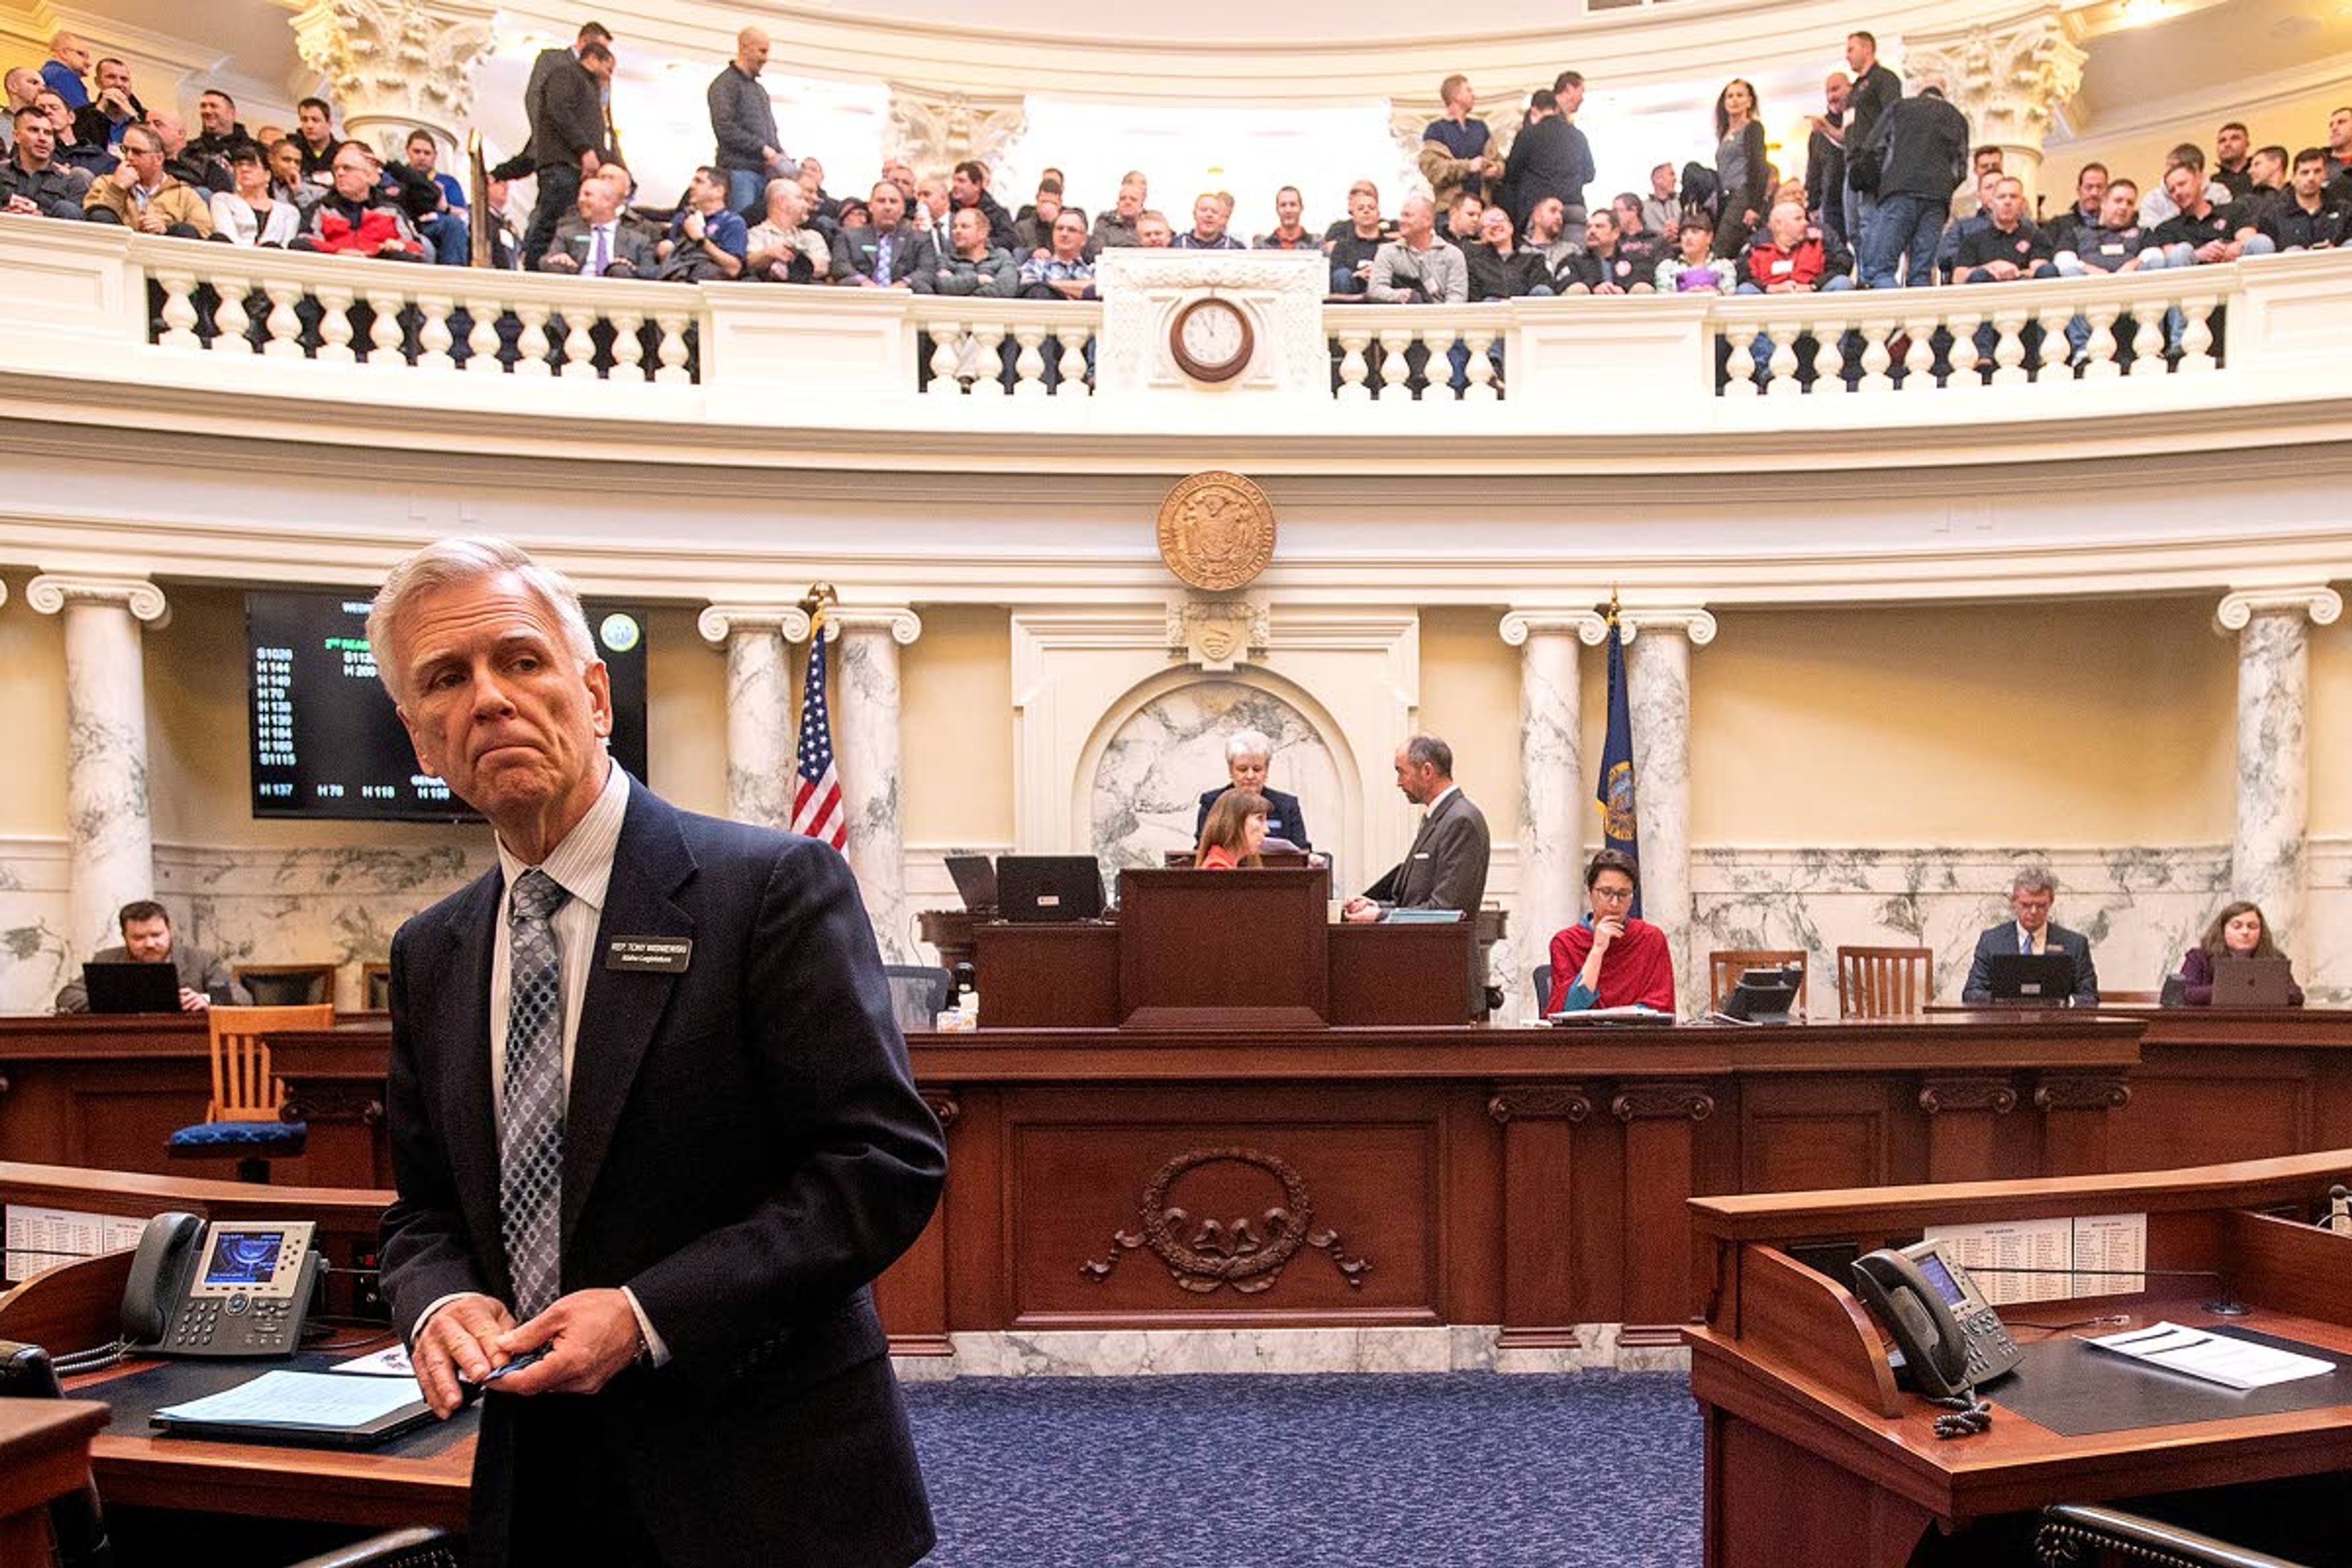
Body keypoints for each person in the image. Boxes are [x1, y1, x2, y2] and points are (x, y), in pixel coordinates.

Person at [368, 535, 944, 1568]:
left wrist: (645, 1316)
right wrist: (440, 1304)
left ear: (595, 694)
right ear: (421, 741)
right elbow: (422, 1211)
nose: (489, 700)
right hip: (535, 1478)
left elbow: (882, 1166)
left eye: (521, 660)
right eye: (447, 681)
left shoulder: (770, 888)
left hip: (762, 1474)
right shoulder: (431, 953)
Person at [1342, 735, 1489, 923]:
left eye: (1402, 772)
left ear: (1427, 771)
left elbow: (1446, 911)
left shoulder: (1461, 821)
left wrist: (1380, 916)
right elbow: (1411, 902)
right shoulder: (1438, 817)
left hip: (1443, 951)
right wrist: (1375, 907)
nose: (1399, 782)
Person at [1857, 85, 1969, 288]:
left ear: (1921, 94)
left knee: (1879, 270)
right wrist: (1943, 187)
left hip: (1899, 193)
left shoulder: (1900, 107)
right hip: (1937, 200)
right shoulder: (1958, 118)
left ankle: (1893, 319)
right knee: (1921, 274)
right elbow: (1961, 169)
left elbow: (1873, 148)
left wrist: (1882, 184)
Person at [55, 899, 249, 1013]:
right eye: (139, 938)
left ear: (169, 930)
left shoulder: (200, 960)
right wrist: (118, 1001)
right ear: (125, 937)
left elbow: (243, 997)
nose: (149, 944)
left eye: (156, 935)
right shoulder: (106, 959)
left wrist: (206, 999)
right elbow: (67, 997)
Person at [1545, 850, 1674, 1014]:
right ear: (1590, 892)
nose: (1614, 903)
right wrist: (1597, 951)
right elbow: (1568, 1010)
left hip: (1636, 1036)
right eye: (1606, 893)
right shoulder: (1565, 942)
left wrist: (1616, 1016)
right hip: (1583, 1039)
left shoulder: (1650, 938)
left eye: (1623, 894)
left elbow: (1661, 1008)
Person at [524, 40, 613, 273]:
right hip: (561, 165)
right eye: (608, 68)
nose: (609, 76)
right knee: (549, 224)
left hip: (573, 168)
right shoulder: (566, 75)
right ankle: (533, 274)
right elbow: (560, 110)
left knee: (562, 226)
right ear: (594, 59)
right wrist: (585, 149)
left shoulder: (587, 86)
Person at [1960, 870, 2100, 1006]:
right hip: (2006, 1026)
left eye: (2041, 906)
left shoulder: (2075, 944)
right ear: (2014, 902)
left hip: (2056, 1026)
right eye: (2026, 905)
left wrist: (2062, 1002)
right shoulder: (1991, 942)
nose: (2033, 912)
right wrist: (2005, 1000)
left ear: (2051, 902)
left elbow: (2090, 997)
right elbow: (1972, 994)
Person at [708, 27, 787, 217]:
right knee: (742, 224)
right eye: (762, 51)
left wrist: (780, 153)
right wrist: (764, 149)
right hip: (739, 173)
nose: (766, 58)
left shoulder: (759, 90)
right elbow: (725, 128)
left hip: (763, 174)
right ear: (745, 48)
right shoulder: (724, 85)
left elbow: (771, 130)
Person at [80, 123, 211, 236]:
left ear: (158, 159)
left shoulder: (184, 194)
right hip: (115, 256)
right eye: (125, 150)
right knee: (101, 215)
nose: (129, 157)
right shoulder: (104, 183)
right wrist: (117, 189)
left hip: (164, 257)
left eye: (137, 152)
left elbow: (204, 233)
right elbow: (92, 225)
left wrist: (167, 228)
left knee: (184, 231)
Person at [1193, 729, 1311, 851]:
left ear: (1266, 770)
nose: (1250, 776)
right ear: (1231, 770)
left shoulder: (1287, 806)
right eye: (1243, 769)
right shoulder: (1212, 803)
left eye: (1257, 769)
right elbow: (1202, 850)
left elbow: (1303, 851)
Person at [1839, 30, 1902, 255]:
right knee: (1854, 228)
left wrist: (1876, 153)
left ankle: (1875, 275)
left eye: (1851, 49)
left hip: (1873, 162)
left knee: (1869, 220)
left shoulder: (1884, 79)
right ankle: (1865, 274)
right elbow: (1848, 129)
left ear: (1867, 49)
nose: (1847, 56)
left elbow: (1893, 116)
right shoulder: (1855, 88)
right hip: (1852, 162)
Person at [2176, 901, 2304, 1007]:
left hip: (2262, 1027)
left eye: (2252, 926)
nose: (2245, 932)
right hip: (2211, 1027)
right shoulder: (2199, 958)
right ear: (2222, 930)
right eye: (2237, 926)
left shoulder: (2274, 958)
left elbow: (2296, 995)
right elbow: (2184, 993)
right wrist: (2240, 989)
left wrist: (2240, 991)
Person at [1499, 89, 1593, 233]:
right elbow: (1590, 174)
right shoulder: (1578, 135)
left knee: (1539, 255)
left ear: (1534, 110)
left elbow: (1511, 174)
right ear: (1556, 109)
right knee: (1575, 254)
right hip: (1573, 206)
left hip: (1540, 208)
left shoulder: (1528, 135)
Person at [1421, 74, 1501, 212]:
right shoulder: (1436, 130)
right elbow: (1434, 171)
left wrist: (1495, 169)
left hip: (1482, 209)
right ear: (1456, 96)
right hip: (1449, 212)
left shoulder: (1480, 127)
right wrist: (1468, 167)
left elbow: (1498, 160)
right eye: (1468, 91)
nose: (1474, 95)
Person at [656, 165, 748, 282]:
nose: (692, 186)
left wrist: (701, 240)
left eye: (699, 182)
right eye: (693, 181)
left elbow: (733, 268)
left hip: (711, 286)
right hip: (678, 280)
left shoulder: (733, 222)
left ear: (719, 191)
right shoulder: (682, 218)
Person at [833, 180, 930, 287]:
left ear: (903, 209)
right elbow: (840, 266)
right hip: (862, 297)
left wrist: (904, 283)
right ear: (870, 206)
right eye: (881, 201)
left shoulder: (919, 239)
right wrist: (863, 281)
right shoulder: (848, 237)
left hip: (905, 299)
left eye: (893, 202)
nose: (887, 207)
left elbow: (927, 270)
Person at [1713, 78, 1769, 259]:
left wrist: (1754, 206)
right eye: (1730, 96)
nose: (1734, 100)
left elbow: (1759, 166)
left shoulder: (1753, 128)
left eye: (1740, 95)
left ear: (1749, 101)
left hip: (1743, 193)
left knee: (1723, 245)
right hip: (1725, 197)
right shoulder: (1724, 132)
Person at [1, 104, 86, 220]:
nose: (43, 138)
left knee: (67, 209)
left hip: (51, 236)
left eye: (48, 133)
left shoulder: (71, 180)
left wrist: (42, 218)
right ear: (17, 136)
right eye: (34, 130)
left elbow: (78, 225)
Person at [208, 141, 298, 246]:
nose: (244, 169)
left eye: (252, 165)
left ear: (267, 175)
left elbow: (286, 248)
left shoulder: (289, 212)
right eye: (239, 165)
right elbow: (227, 239)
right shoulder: (222, 200)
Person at [745, 178, 831, 282]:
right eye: (800, 198)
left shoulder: (813, 236)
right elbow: (748, 263)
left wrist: (789, 261)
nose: (806, 205)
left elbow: (822, 267)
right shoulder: (754, 235)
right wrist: (767, 254)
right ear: (781, 201)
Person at [1806, 74, 1850, 248]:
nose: (1832, 97)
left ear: (1850, 87)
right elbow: (1814, 170)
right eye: (1828, 92)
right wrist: (1813, 204)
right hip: (1832, 201)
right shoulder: (1817, 133)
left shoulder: (1860, 120)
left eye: (1836, 89)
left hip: (1861, 195)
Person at [1193, 788, 1269, 871]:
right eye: (1260, 819)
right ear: (1235, 822)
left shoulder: (1224, 865)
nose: (1267, 830)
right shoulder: (1218, 869)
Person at [1091, 171, 1144, 251]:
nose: (1128, 202)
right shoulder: (1104, 223)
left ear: (1141, 206)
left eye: (1133, 200)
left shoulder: (1151, 223)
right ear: (1117, 204)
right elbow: (1097, 251)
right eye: (1123, 199)